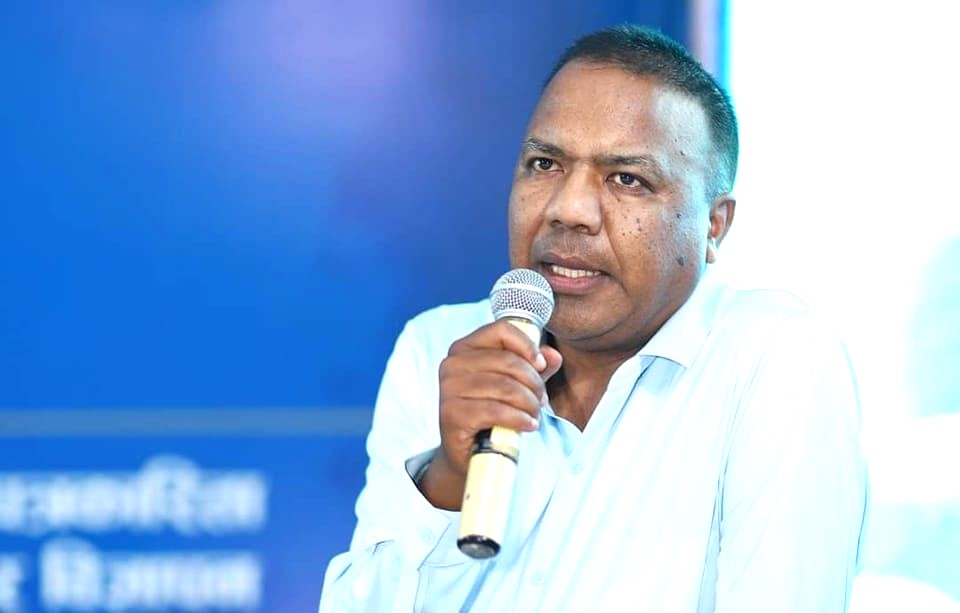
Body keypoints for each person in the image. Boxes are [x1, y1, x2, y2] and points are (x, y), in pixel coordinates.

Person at [319, 24, 868, 612]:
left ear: (714, 225)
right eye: (544, 164)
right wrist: (449, 477)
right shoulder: (439, 347)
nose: (568, 209)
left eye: (627, 179)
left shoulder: (773, 358)